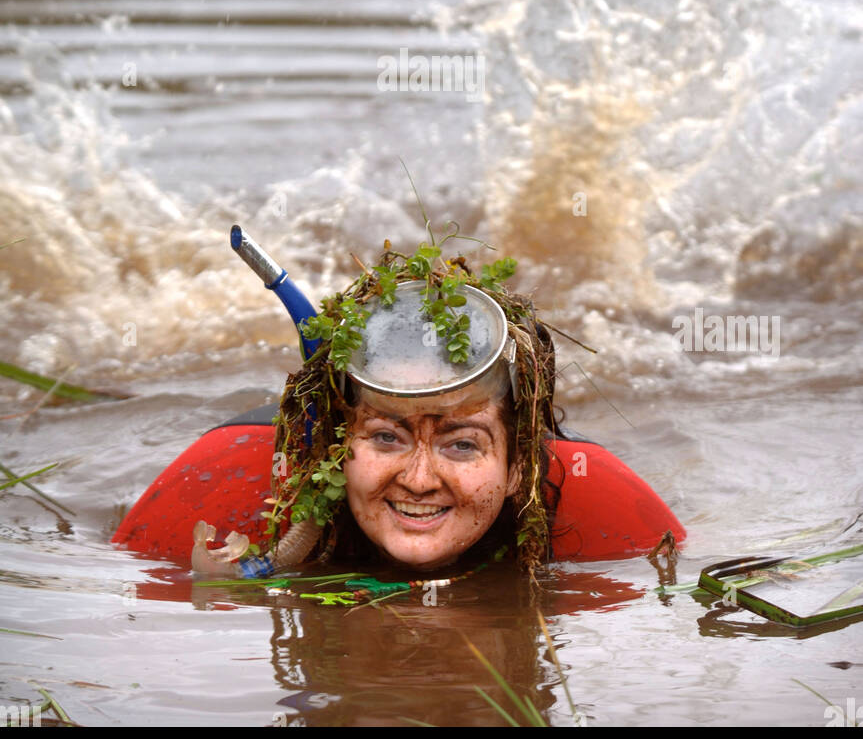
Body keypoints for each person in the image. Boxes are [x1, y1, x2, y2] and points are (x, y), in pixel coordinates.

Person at [189, 242, 685, 594]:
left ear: (518, 465)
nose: (419, 480)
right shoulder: (222, 485)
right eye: (386, 437)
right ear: (334, 449)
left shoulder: (612, 521)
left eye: (462, 444)